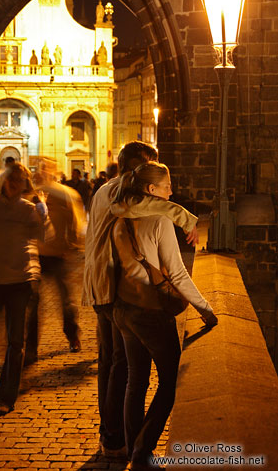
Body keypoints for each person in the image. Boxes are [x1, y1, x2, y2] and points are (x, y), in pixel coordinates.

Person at [82, 141, 199, 458]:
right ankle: (119, 439)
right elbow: (155, 211)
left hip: (100, 284)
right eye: (151, 165)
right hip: (114, 287)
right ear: (136, 168)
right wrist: (189, 220)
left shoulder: (104, 189)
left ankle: (114, 437)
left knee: (112, 362)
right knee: (122, 365)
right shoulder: (124, 194)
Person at [112, 162, 218, 470]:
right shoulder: (158, 220)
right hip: (150, 309)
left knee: (136, 380)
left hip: (123, 307)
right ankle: (142, 452)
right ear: (150, 190)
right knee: (171, 381)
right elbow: (179, 274)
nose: (171, 191)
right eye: (166, 185)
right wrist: (207, 311)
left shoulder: (118, 216)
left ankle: (135, 449)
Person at [0, 162, 45, 415]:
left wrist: (43, 213)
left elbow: (41, 238)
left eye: (20, 180)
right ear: (4, 181)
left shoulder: (29, 209)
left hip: (22, 280)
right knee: (6, 339)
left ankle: (5, 397)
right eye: (12, 179)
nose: (15, 184)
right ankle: (12, 374)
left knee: (15, 341)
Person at [25, 160, 84, 361]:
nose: (41, 172)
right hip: (37, 254)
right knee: (33, 304)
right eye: (39, 168)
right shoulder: (32, 194)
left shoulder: (64, 193)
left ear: (52, 171)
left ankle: (72, 335)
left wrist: (71, 244)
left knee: (65, 300)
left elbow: (75, 221)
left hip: (58, 254)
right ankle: (31, 347)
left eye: (45, 168)